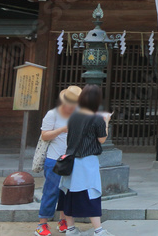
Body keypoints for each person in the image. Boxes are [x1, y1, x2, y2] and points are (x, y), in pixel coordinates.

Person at [56, 84, 113, 236]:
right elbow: (101, 139)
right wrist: (106, 122)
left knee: (69, 193)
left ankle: (70, 229)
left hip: (70, 160)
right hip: (87, 161)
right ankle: (98, 230)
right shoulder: (97, 119)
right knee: (91, 194)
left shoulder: (73, 116)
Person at [36, 85, 81, 236]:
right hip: (54, 159)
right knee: (51, 191)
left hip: (71, 159)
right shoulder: (53, 114)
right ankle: (42, 224)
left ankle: (63, 221)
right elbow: (44, 135)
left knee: (67, 192)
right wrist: (61, 130)